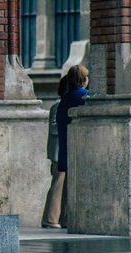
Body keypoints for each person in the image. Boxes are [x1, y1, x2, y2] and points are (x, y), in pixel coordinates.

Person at [53, 65, 89, 228]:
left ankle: (65, 219)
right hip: (78, 144)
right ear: (84, 79)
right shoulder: (83, 96)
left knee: (65, 183)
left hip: (64, 143)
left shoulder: (66, 96)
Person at [41, 75, 68, 229]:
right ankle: (51, 218)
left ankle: (60, 218)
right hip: (58, 152)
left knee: (62, 186)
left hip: (63, 150)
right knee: (57, 185)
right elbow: (53, 127)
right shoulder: (58, 105)